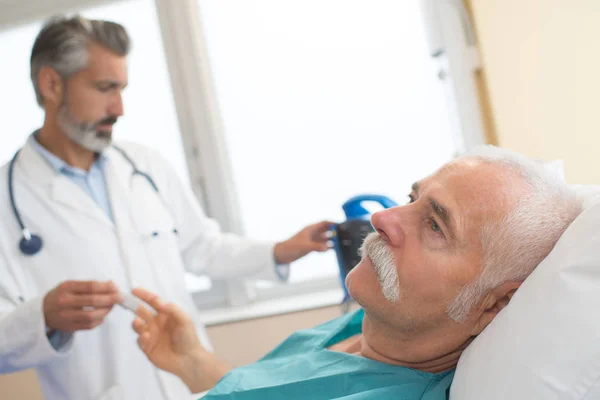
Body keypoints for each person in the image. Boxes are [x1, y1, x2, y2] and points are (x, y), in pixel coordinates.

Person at [0, 15, 332, 400]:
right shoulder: (7, 199)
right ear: (52, 83)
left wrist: (279, 251)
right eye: (105, 88)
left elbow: (202, 248)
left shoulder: (145, 166)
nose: (119, 107)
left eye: (122, 89)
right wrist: (43, 317)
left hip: (189, 386)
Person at [130, 147, 582, 399]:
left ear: (495, 303)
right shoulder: (367, 324)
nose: (385, 218)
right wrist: (191, 361)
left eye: (435, 226)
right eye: (412, 197)